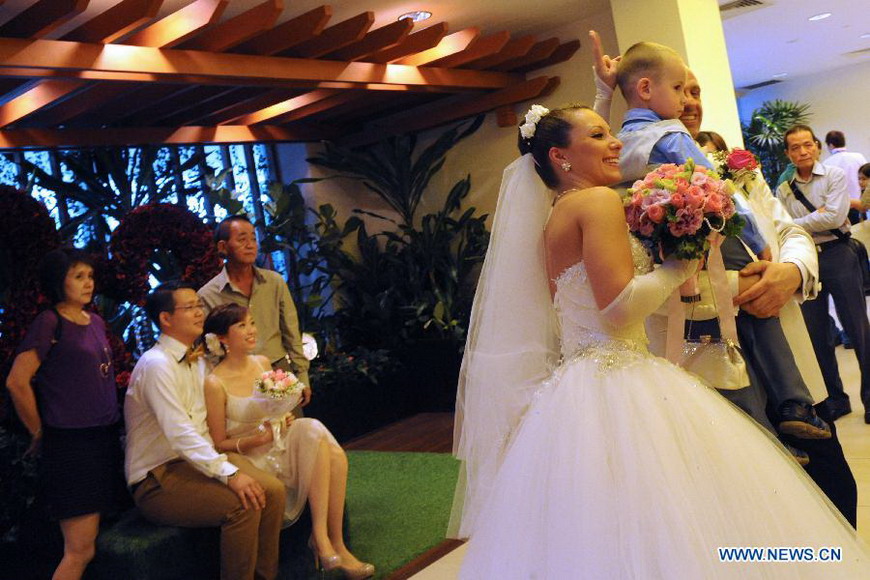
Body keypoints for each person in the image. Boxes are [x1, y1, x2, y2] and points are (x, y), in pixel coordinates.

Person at [452, 103, 870, 577]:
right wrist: (681, 265)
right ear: (561, 157)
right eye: (598, 135)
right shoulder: (597, 202)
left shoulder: (556, 214)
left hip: (579, 380)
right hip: (621, 374)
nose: (615, 142)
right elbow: (617, 311)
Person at [124, 281, 285, 580]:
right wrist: (229, 473)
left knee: (273, 491)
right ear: (166, 319)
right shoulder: (156, 364)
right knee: (244, 504)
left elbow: (212, 419)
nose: (200, 312)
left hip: (195, 461)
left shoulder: (198, 361)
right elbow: (179, 432)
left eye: (199, 305)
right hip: (158, 476)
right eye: (190, 307)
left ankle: (266, 575)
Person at [202, 304, 374, 579]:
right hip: (250, 456)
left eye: (252, 323)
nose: (251, 331)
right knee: (325, 447)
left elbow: (276, 409)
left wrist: (283, 419)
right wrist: (257, 438)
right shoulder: (214, 382)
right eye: (242, 326)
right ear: (222, 338)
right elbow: (218, 442)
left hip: (278, 442)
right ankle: (325, 543)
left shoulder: (262, 362)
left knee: (315, 433)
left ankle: (330, 540)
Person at [6, 248, 123, 580]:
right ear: (59, 282)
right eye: (78, 276)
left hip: (102, 438)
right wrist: (38, 431)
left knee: (91, 545)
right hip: (71, 444)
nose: (88, 283)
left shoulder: (96, 320)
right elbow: (17, 382)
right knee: (79, 550)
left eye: (90, 276)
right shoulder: (49, 322)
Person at [613, 41, 769, 260]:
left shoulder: (616, 143)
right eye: (677, 88)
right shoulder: (671, 136)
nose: (684, 100)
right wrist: (758, 241)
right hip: (694, 254)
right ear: (645, 89)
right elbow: (719, 190)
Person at [777, 126, 870, 425]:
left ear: (817, 147)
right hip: (805, 262)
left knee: (858, 329)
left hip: (838, 253)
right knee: (818, 336)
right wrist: (815, 217)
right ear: (788, 154)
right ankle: (835, 400)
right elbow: (782, 227)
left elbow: (833, 216)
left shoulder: (834, 176)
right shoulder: (783, 188)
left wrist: (800, 221)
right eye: (795, 147)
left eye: (807, 145)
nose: (803, 151)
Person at [198, 215, 311, 413]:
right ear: (223, 247)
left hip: (278, 371)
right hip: (236, 376)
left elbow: (291, 331)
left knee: (293, 433)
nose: (250, 245)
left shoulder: (274, 282)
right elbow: (209, 347)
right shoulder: (208, 295)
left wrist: (302, 377)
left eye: (253, 238)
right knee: (256, 437)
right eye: (242, 239)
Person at [824, 130, 867, 224]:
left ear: (830, 145)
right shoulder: (859, 157)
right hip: (861, 205)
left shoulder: (826, 163)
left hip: (839, 208)